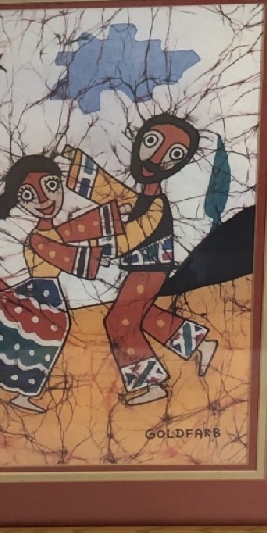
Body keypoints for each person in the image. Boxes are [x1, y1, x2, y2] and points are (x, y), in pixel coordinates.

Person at [0, 155, 126, 413]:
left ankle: (22, 389)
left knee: (1, 325)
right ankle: (24, 391)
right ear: (18, 200)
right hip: (40, 292)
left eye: (51, 186)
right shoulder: (37, 238)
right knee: (22, 332)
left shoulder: (51, 230)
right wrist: (100, 256)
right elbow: (64, 256)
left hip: (45, 292)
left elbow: (78, 229)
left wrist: (115, 218)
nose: (43, 200)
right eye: (28, 195)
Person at [61, 115, 218, 406]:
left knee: (120, 322)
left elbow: (133, 233)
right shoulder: (142, 198)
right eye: (151, 142)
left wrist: (99, 249)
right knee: (142, 315)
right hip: (147, 268)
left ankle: (151, 384)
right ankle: (200, 344)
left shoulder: (154, 205)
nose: (156, 159)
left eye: (173, 155)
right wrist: (72, 162)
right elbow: (107, 190)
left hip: (151, 270)